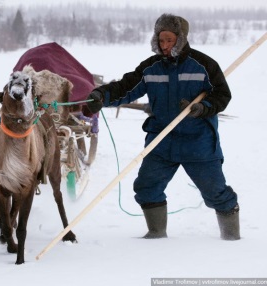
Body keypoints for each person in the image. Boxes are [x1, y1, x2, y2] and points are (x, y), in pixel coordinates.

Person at [86, 13, 240, 240]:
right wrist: (101, 96)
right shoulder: (151, 68)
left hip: (198, 142)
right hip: (161, 141)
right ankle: (156, 237)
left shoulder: (203, 65)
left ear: (181, 38)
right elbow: (126, 87)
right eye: (161, 40)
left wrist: (202, 108)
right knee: (147, 187)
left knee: (216, 193)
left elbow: (222, 95)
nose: (165, 45)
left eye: (170, 40)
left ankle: (231, 239)